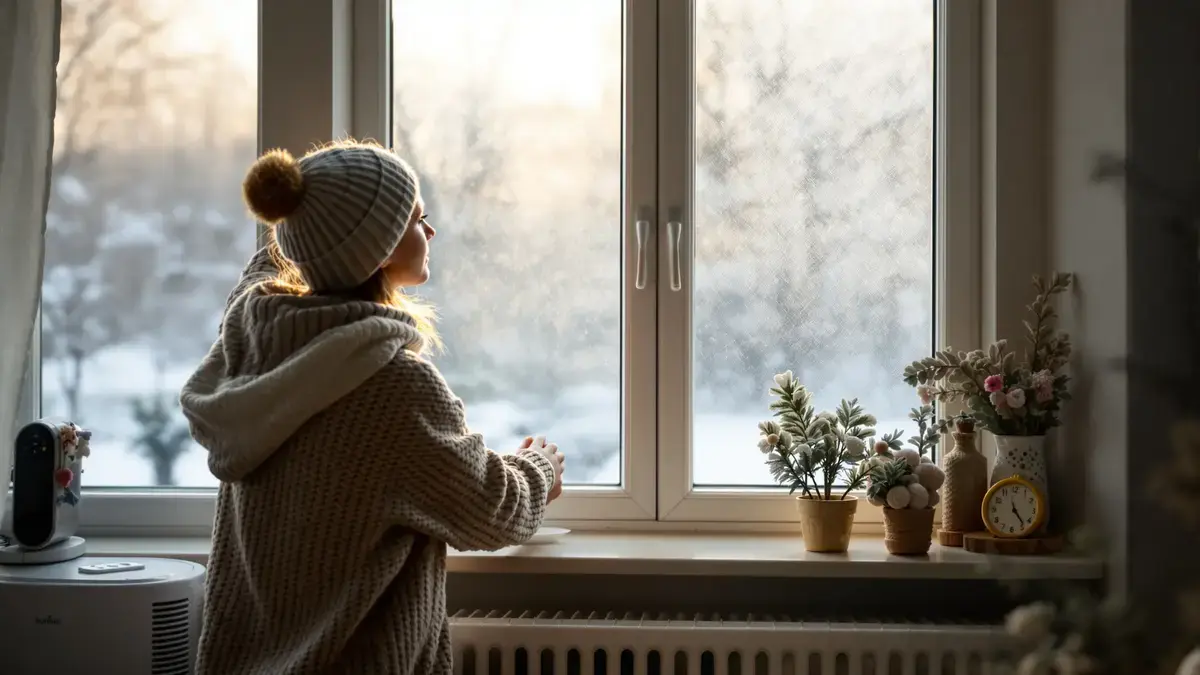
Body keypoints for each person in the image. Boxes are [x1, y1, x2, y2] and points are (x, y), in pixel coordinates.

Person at [179, 140, 565, 674]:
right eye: (416, 219)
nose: (430, 232)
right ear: (378, 248)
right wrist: (539, 471)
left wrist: (311, 198)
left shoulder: (249, 343)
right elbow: (490, 511)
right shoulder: (391, 389)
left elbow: (283, 252)